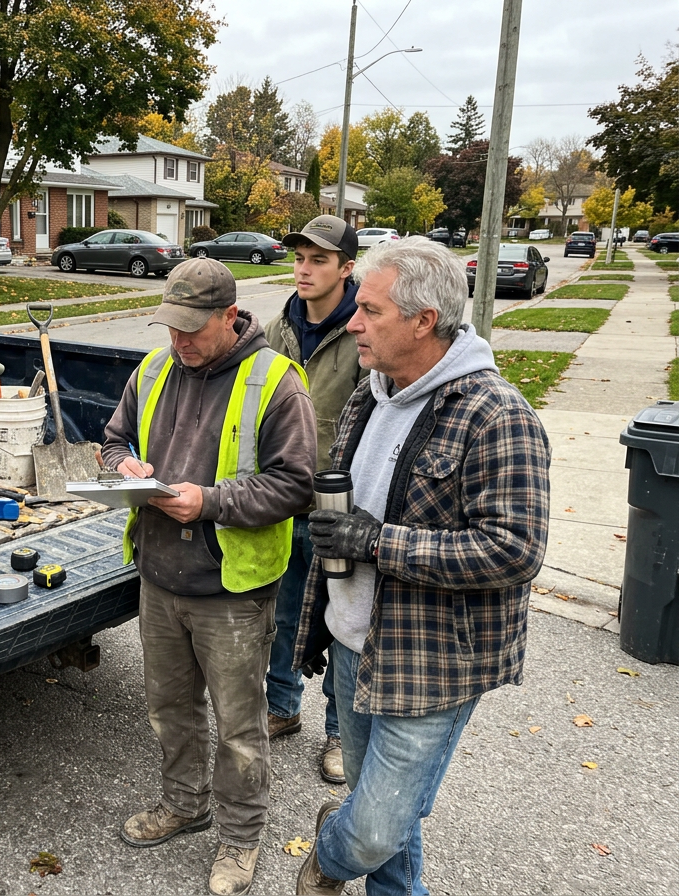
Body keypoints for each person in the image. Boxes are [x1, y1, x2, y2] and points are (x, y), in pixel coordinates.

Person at [292, 238, 550, 896]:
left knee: (376, 825)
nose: (352, 322)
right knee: (386, 811)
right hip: (352, 642)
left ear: (423, 320)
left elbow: (515, 549)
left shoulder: (497, 416)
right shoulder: (370, 397)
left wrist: (380, 542)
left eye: (369, 311)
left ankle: (330, 851)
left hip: (433, 662)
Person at [103, 257, 317, 896]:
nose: (180, 340)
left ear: (231, 317)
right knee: (170, 708)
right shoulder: (154, 368)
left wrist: (212, 501)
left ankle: (241, 837)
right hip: (160, 576)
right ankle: (185, 803)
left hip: (232, 588)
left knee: (240, 724)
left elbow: (296, 484)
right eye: (171, 327)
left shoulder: (277, 382)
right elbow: (112, 440)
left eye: (193, 329)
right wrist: (125, 469)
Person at [262, 215, 365, 785]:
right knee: (281, 611)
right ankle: (281, 706)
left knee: (337, 617)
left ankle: (337, 730)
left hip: (337, 504)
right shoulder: (280, 326)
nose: (304, 268)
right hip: (282, 496)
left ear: (347, 269)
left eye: (319, 259)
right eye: (299, 256)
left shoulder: (362, 331)